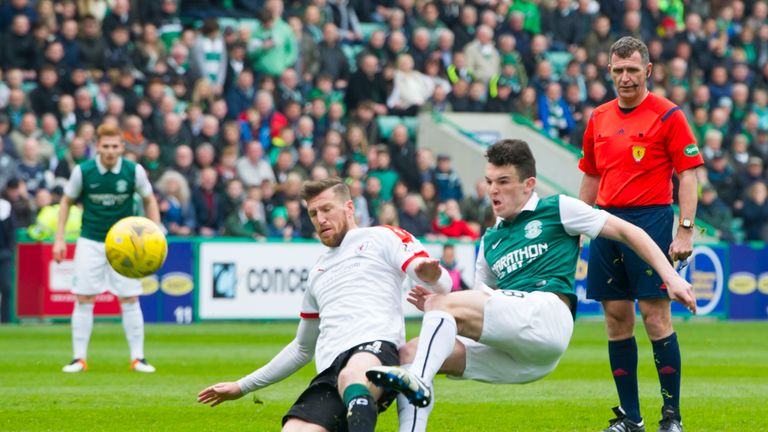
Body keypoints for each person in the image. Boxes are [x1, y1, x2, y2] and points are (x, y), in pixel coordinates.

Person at [366, 139, 696, 432]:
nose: (493, 190)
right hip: (522, 357)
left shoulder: (558, 209)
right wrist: (442, 309)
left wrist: (671, 277)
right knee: (412, 351)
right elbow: (482, 305)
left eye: (504, 181)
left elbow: (629, 232)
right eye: (489, 182)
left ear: (529, 184)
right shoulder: (490, 241)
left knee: (440, 311)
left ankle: (418, 380)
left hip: (548, 315)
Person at [197, 177, 454, 432]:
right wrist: (242, 386)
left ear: (350, 208)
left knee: (351, 376)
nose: (320, 219)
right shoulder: (318, 272)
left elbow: (441, 284)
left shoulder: (382, 237)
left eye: (327, 209)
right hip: (331, 372)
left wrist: (431, 275)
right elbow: (301, 348)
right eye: (313, 213)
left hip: (374, 351)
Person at [577, 37, 704, 432]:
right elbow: (591, 175)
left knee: (655, 317)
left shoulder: (668, 115)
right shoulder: (598, 116)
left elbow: (688, 175)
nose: (625, 78)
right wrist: (579, 224)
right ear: (610, 71)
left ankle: (672, 417)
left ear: (648, 70)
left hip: (650, 219)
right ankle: (631, 418)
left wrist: (684, 230)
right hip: (604, 221)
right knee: (616, 319)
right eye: (618, 70)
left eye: (633, 70)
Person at [53, 124, 161, 374]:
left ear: (122, 147)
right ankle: (78, 358)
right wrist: (59, 239)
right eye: (105, 146)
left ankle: (138, 358)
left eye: (115, 146)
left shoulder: (134, 171)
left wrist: (156, 231)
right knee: (84, 297)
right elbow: (66, 200)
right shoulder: (84, 171)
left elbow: (149, 199)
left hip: (125, 246)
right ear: (97, 147)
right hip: (90, 240)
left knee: (130, 297)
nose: (110, 151)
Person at [0, 193, 14, 323]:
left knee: (6, 286)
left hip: (3, 254)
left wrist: (10, 251)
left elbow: (11, 231)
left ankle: (5, 321)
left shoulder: (5, 207)